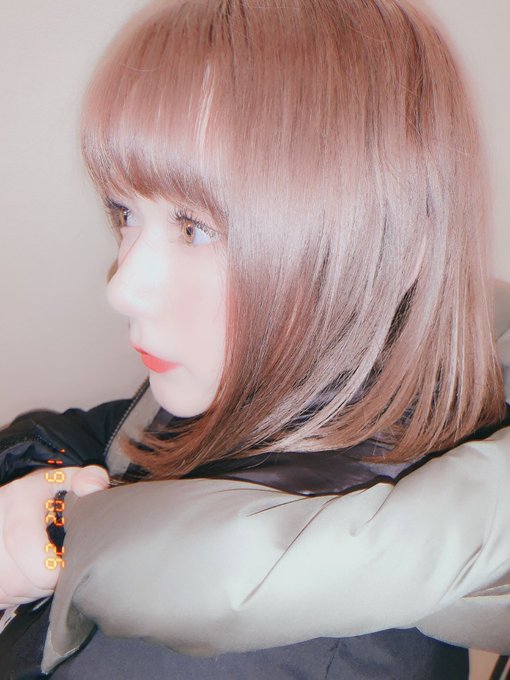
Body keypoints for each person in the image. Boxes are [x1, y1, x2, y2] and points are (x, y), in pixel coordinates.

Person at [1, 0, 509, 677]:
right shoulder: (301, 385)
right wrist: (41, 510)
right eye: (125, 212)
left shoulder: (228, 660)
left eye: (194, 228)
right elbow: (117, 435)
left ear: (390, 244)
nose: (122, 287)